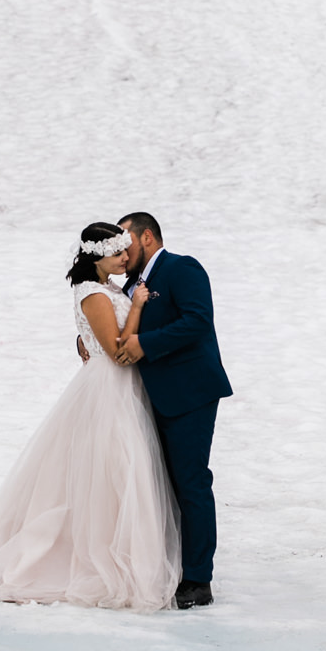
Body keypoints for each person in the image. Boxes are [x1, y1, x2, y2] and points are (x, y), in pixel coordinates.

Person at [0, 222, 181, 614]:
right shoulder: (93, 292)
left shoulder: (106, 288)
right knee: (114, 468)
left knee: (121, 472)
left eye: (126, 251)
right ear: (98, 257)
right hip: (109, 388)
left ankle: (122, 550)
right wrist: (138, 306)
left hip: (123, 387)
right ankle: (96, 558)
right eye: (117, 253)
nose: (126, 258)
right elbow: (114, 348)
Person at [111, 211, 231, 609]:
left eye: (125, 241)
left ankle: (198, 579)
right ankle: (170, 567)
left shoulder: (183, 268)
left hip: (189, 392)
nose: (120, 251)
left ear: (147, 237)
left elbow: (198, 321)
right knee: (161, 486)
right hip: (150, 398)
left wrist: (146, 343)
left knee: (191, 483)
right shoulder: (130, 284)